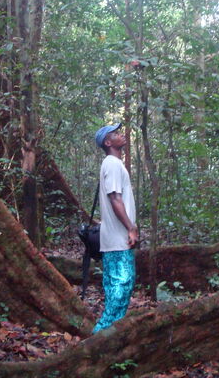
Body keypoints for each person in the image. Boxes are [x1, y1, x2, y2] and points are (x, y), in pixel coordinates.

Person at [92, 123, 139, 333]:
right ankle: (104, 335)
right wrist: (131, 228)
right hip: (117, 238)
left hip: (115, 239)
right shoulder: (111, 164)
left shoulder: (114, 164)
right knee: (121, 286)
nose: (122, 135)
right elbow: (114, 198)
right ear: (108, 142)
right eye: (116, 134)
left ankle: (108, 334)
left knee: (118, 288)